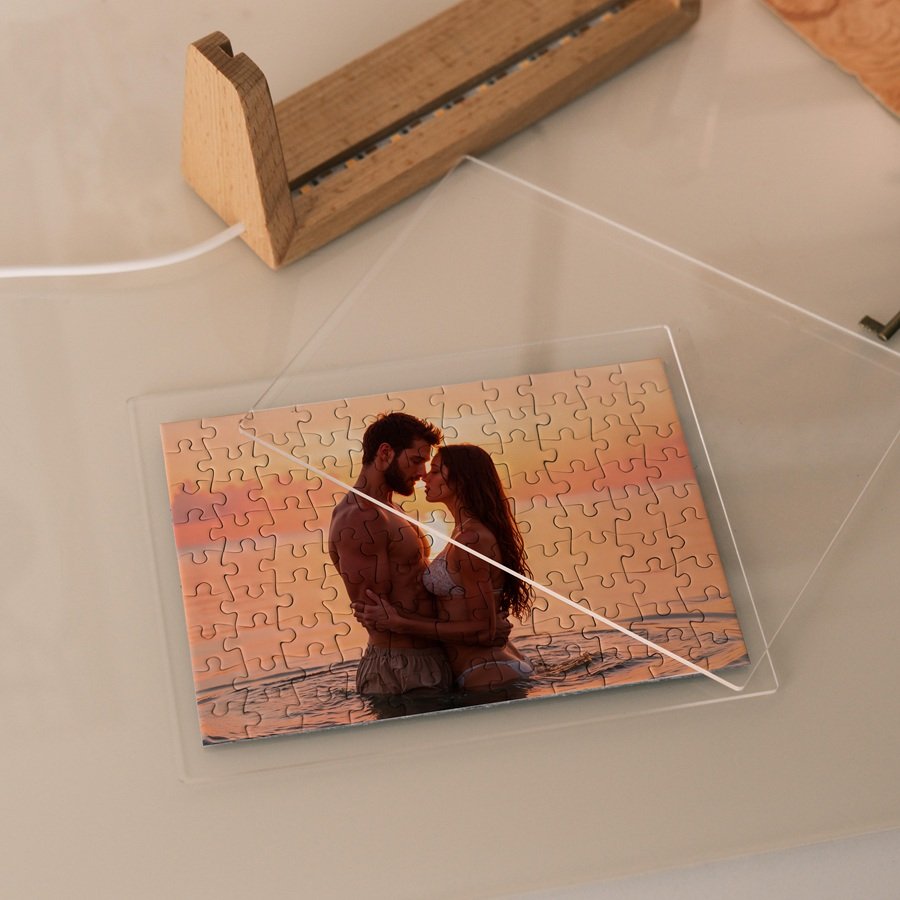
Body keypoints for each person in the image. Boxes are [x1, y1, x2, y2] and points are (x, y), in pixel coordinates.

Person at [361, 443, 535, 692]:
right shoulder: (463, 532)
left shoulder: (471, 540)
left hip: (487, 673)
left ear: (461, 480)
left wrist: (400, 623)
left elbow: (483, 631)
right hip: (489, 667)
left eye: (435, 471)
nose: (425, 477)